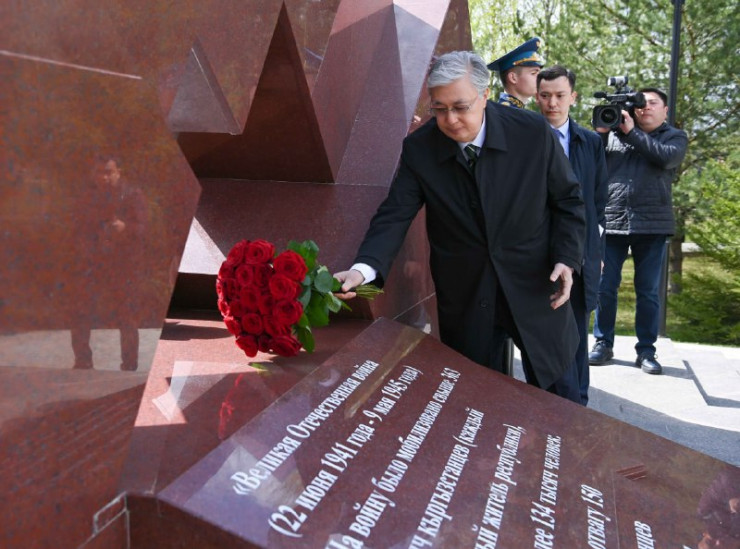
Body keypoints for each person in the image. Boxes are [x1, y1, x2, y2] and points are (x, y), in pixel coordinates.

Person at [334, 51, 586, 402]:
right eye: (439, 108)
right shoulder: (420, 149)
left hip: (536, 286)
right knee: (476, 406)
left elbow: (569, 201)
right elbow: (395, 213)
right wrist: (364, 269)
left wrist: (567, 258)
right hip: (467, 296)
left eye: (460, 107)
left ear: (484, 95)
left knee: (561, 402)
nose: (450, 120)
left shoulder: (531, 133)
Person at [588, 87, 688, 374]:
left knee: (648, 292)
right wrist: (601, 133)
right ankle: (603, 343)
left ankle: (646, 351)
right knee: (605, 287)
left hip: (653, 224)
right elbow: (591, 162)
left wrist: (631, 133)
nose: (646, 107)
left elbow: (666, 158)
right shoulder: (613, 133)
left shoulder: (674, 136)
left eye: (653, 103)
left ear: (665, 110)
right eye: (641, 103)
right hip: (612, 221)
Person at [536, 65, 608, 405]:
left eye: (560, 95)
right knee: (546, 332)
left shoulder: (590, 142)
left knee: (578, 329)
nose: (552, 103)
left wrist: (597, 252)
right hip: (540, 252)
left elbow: (599, 201)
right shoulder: (526, 138)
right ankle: (550, 405)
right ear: (537, 97)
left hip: (582, 252)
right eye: (545, 95)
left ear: (573, 98)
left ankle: (579, 404)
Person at [70, 155, 147, 371]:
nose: (104, 177)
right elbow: (76, 227)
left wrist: (125, 227)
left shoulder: (132, 195)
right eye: (99, 172)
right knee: (81, 311)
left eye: (108, 172)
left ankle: (129, 364)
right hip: (93, 263)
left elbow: (144, 228)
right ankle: (83, 360)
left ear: (118, 172)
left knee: (127, 315)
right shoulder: (87, 198)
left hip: (124, 265)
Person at [487, 37, 544, 108]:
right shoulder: (506, 111)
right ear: (513, 78)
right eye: (533, 73)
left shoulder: (510, 109)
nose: (539, 78)